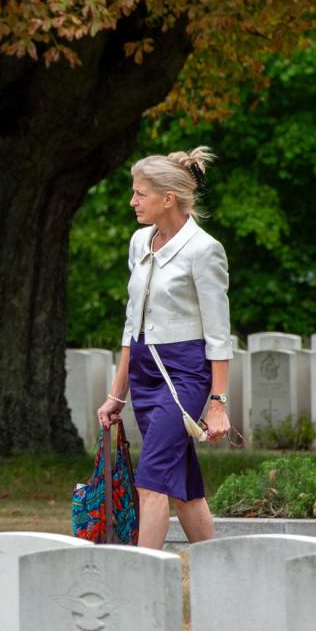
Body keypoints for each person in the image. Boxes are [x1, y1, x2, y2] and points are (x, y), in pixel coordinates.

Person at [96, 147, 232, 550]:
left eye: (140, 194)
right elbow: (131, 325)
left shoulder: (204, 250)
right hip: (144, 373)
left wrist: (218, 403)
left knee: (151, 479)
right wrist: (116, 394)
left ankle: (139, 580)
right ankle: (221, 574)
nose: (132, 201)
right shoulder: (140, 242)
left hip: (184, 376)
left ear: (167, 199)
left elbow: (219, 333)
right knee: (184, 485)